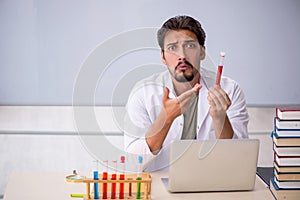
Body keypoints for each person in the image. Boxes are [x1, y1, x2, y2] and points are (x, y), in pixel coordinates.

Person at [124, 15, 249, 171]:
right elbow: (132, 162)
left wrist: (220, 119)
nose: (182, 56)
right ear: (163, 56)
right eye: (172, 48)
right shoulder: (143, 93)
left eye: (189, 46)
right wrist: (166, 119)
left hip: (212, 185)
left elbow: (238, 162)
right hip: (160, 187)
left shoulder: (229, 90)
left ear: (202, 52)